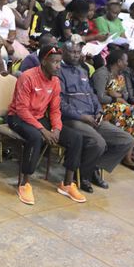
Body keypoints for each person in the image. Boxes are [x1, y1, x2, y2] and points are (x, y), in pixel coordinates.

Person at [7, 45, 86, 205]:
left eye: (59, 62)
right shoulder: (28, 77)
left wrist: (56, 128)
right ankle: (24, 184)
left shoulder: (55, 81)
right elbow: (22, 109)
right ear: (43, 61)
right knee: (36, 137)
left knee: (75, 138)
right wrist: (43, 130)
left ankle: (67, 184)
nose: (58, 66)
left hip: (39, 117)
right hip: (18, 117)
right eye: (55, 62)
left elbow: (55, 109)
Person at [59, 42, 134, 192]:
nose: (75, 55)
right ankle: (84, 176)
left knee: (126, 140)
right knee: (98, 143)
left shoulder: (82, 71)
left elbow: (92, 95)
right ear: (63, 52)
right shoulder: (59, 71)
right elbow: (60, 103)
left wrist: (99, 111)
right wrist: (82, 117)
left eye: (77, 52)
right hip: (73, 119)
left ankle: (92, 167)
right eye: (72, 52)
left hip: (93, 117)